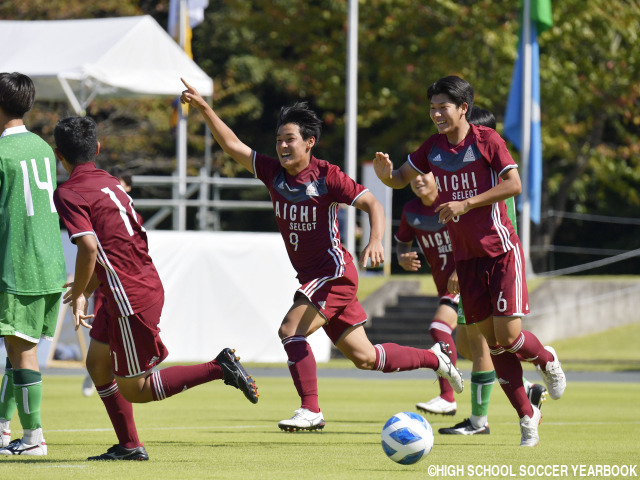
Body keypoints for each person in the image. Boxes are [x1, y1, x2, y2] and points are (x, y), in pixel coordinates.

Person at [179, 78, 463, 432]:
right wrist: (205, 109)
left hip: (334, 272)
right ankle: (433, 358)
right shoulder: (273, 174)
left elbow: (372, 202)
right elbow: (233, 144)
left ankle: (310, 409)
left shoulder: (327, 176)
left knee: (289, 330)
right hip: (316, 278)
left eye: (290, 139)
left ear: (309, 142)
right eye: (279, 140)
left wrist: (376, 241)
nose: (282, 146)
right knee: (365, 356)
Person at [373, 76, 566, 447]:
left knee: (509, 337)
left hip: (500, 251)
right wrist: (388, 177)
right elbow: (400, 179)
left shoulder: (487, 141)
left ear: (463, 108)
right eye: (432, 107)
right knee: (493, 345)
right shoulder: (432, 147)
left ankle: (545, 359)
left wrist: (466, 202)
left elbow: (514, 185)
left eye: (443, 106)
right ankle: (527, 416)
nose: (436, 113)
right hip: (465, 258)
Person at [52, 116, 259, 461]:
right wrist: (88, 285)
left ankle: (218, 367)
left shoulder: (69, 192)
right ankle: (130, 446)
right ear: (98, 149)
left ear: (59, 154)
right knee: (97, 364)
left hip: (128, 297)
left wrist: (81, 292)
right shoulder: (112, 183)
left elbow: (88, 246)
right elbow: (110, 245)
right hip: (135, 285)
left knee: (137, 389)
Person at [436, 106, 547, 435]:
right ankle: (525, 388)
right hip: (470, 263)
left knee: (486, 344)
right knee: (473, 345)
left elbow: (504, 227)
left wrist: (461, 266)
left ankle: (479, 420)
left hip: (492, 263)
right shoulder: (464, 180)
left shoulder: (495, 183)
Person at [0, 72, 67, 456]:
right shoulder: (42, 147)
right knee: (18, 349)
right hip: (48, 264)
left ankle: (33, 438)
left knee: (22, 353)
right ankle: (4, 429)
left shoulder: (2, 152)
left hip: (17, 264)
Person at [394, 173, 461, 416]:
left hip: (469, 280)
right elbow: (402, 242)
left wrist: (461, 270)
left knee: (439, 328)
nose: (418, 180)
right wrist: (402, 257)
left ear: (437, 176)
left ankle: (447, 397)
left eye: (423, 174)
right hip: (444, 286)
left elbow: (475, 238)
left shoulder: (454, 202)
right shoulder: (411, 210)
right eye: (413, 177)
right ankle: (531, 380)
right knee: (481, 349)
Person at [80, 166, 134, 398]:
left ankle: (107, 370)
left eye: (120, 182)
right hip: (103, 283)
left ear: (128, 187)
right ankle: (97, 370)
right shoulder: (99, 210)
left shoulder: (130, 212)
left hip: (124, 285)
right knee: (103, 329)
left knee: (120, 334)